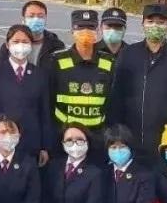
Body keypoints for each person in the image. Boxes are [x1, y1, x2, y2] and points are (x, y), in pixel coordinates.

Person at [108, 3, 167, 165]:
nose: (155, 26)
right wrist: (116, 131)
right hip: (131, 136)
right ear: (142, 24)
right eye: (150, 22)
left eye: (161, 22)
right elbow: (117, 95)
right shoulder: (128, 54)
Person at [46, 10, 116, 162]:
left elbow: (113, 103)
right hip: (65, 136)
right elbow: (48, 102)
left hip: (97, 138)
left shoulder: (108, 62)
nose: (85, 32)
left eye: (90, 28)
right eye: (80, 27)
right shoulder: (57, 61)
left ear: (97, 31)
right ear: (72, 31)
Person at [0, 25, 53, 167]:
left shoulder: (40, 75)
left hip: (32, 143)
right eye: (16, 41)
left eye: (25, 42)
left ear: (31, 45)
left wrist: (45, 147)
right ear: (7, 45)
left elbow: (45, 112)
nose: (20, 45)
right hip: (3, 141)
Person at [0, 0, 66, 70]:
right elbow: (1, 71)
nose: (36, 19)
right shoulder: (11, 45)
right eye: (31, 16)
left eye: (40, 16)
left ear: (45, 19)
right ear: (23, 20)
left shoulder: (56, 46)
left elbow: (64, 72)